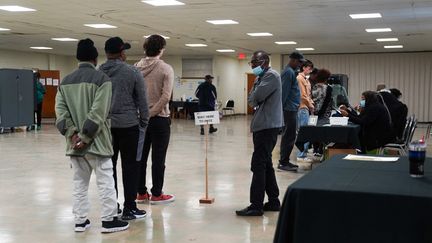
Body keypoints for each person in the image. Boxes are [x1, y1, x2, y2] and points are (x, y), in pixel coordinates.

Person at [55, 38, 129, 233]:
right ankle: (109, 220)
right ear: (95, 59)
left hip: (74, 146)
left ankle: (80, 221)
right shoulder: (102, 80)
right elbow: (99, 112)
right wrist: (85, 137)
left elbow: (60, 113)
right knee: (105, 181)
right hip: (98, 142)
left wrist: (73, 136)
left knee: (79, 182)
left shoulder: (65, 82)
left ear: (77, 58)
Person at [99, 37, 150, 220]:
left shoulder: (99, 73)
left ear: (106, 53)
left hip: (106, 127)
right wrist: (144, 121)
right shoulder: (132, 72)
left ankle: (113, 207)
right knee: (131, 167)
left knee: (108, 167)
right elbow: (143, 101)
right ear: (122, 53)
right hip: (129, 126)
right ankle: (130, 207)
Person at [236, 50, 283, 216]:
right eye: (252, 63)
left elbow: (257, 97)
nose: (253, 66)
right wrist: (255, 95)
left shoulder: (271, 76)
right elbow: (251, 99)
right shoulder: (260, 77)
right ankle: (274, 201)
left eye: (255, 62)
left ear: (264, 62)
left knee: (258, 164)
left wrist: (255, 95)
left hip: (267, 126)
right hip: (262, 125)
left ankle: (256, 205)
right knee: (266, 163)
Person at [135, 34, 175, 204]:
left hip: (139, 119)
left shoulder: (135, 68)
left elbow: (133, 94)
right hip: (159, 119)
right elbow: (166, 96)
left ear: (145, 48)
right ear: (161, 49)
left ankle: (141, 193)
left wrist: (143, 114)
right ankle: (157, 194)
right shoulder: (166, 68)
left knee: (140, 158)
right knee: (159, 159)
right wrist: (152, 113)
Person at [278, 51, 304, 172]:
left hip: (291, 109)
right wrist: (280, 110)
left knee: (290, 135)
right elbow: (283, 92)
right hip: (288, 109)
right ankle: (283, 162)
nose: (300, 65)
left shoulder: (291, 72)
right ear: (293, 60)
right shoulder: (288, 72)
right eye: (299, 62)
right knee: (288, 136)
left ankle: (285, 160)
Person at [311, 69, 333, 156]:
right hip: (324, 114)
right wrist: (321, 113)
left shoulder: (313, 86)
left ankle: (315, 149)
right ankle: (321, 150)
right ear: (326, 78)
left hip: (313, 112)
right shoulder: (328, 88)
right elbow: (327, 101)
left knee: (314, 132)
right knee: (323, 133)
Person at [296, 59, 314, 160]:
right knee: (303, 132)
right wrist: (310, 105)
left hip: (307, 107)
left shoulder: (306, 79)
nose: (310, 71)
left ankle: (304, 153)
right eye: (309, 68)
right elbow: (303, 95)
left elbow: (308, 95)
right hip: (302, 108)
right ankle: (301, 154)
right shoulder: (300, 78)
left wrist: (311, 104)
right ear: (304, 68)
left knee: (306, 131)